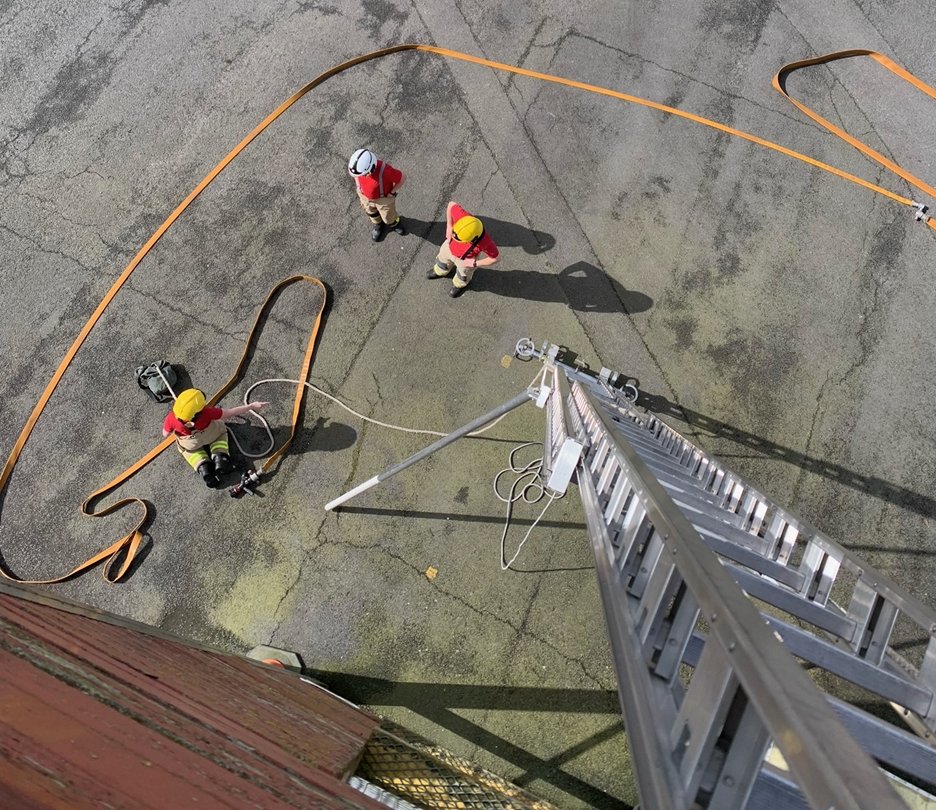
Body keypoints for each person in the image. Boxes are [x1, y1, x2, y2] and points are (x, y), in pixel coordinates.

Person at [162, 388, 268, 488]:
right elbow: (231, 412)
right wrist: (252, 406)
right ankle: (219, 457)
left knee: (188, 451)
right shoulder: (207, 413)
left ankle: (203, 467)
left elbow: (165, 434)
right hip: (211, 433)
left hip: (191, 442)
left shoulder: (171, 418)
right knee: (221, 435)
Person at [427, 201, 499, 297]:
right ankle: (440, 271)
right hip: (448, 247)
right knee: (442, 261)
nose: (456, 239)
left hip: (466, 260)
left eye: (460, 240)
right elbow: (451, 204)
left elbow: (496, 258)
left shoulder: (486, 242)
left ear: (473, 239)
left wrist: (475, 263)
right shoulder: (463, 218)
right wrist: (449, 226)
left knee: (463, 275)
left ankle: (459, 285)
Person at [348, 148, 406, 242]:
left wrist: (392, 192)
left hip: (383, 199)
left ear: (372, 168)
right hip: (364, 196)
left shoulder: (386, 171)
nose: (362, 176)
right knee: (370, 211)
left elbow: (402, 177)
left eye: (364, 174)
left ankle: (394, 223)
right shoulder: (359, 168)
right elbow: (356, 175)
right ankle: (378, 224)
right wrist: (358, 185)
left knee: (388, 216)